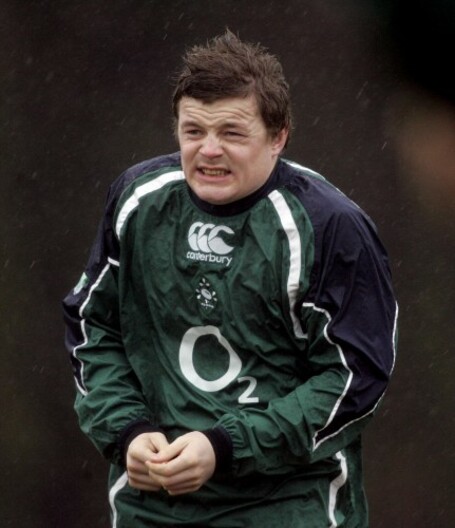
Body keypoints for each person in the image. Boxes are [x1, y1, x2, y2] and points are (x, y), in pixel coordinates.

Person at [63, 30, 398, 528]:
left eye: (232, 133)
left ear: (278, 137)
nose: (209, 150)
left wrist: (225, 446)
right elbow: (94, 330)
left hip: (287, 502)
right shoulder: (139, 202)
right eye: (193, 131)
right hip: (152, 502)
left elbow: (354, 378)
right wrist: (128, 430)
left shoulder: (330, 225)